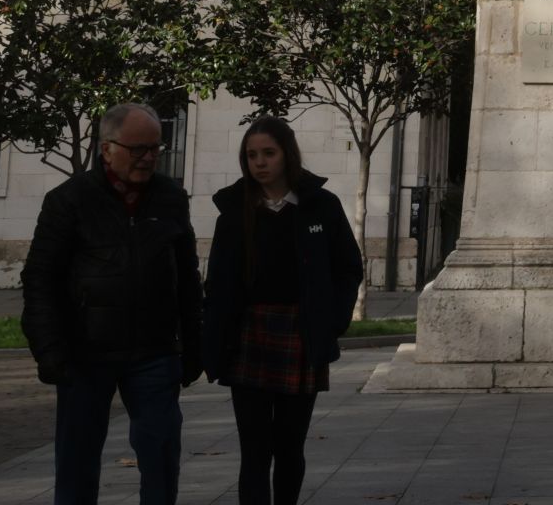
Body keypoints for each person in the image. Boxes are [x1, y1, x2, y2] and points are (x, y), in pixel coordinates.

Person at [20, 102, 201, 505]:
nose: (150, 157)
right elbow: (40, 279)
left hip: (154, 352)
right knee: (77, 461)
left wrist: (193, 345)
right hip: (84, 354)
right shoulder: (69, 201)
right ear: (107, 149)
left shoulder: (171, 198)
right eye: (138, 149)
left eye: (156, 147)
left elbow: (187, 277)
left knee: (161, 453)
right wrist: (49, 351)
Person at [202, 116, 362, 505]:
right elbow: (218, 281)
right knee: (255, 451)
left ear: (286, 154)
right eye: (252, 155)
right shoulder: (234, 210)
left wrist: (333, 321)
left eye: (268, 153)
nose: (260, 162)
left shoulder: (321, 206)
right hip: (248, 337)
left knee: (290, 447)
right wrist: (213, 339)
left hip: (300, 335)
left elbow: (348, 267)